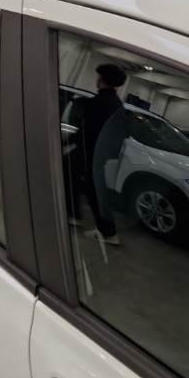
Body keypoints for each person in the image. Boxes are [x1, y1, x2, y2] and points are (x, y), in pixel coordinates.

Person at [75, 63, 128, 246]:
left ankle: (108, 232)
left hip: (91, 152)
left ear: (103, 80)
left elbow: (87, 130)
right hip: (101, 154)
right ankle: (80, 217)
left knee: (95, 193)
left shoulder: (98, 102)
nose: (97, 80)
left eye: (99, 77)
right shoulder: (116, 103)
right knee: (92, 189)